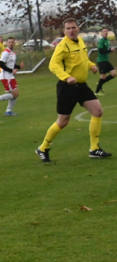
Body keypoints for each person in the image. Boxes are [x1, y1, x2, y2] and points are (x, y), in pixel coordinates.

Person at [36, 18, 111, 162]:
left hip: (81, 86)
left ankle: (94, 149)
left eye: (73, 28)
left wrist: (91, 65)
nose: (71, 30)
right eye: (68, 28)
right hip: (67, 88)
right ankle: (42, 148)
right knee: (63, 121)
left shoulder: (80, 41)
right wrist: (66, 77)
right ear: (64, 31)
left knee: (97, 111)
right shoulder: (62, 46)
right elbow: (53, 65)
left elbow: (82, 59)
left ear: (78, 29)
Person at [0, 37, 25, 116]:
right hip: (6, 76)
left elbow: (12, 65)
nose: (11, 43)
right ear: (7, 43)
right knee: (14, 94)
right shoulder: (5, 53)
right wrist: (11, 71)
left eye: (12, 42)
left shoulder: (12, 53)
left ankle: (8, 111)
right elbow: (1, 64)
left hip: (10, 76)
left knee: (16, 94)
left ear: (14, 43)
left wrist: (19, 67)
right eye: (9, 42)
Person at [95, 27, 116, 95]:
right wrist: (110, 50)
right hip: (101, 61)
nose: (105, 32)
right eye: (104, 31)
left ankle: (100, 83)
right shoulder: (101, 41)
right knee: (103, 77)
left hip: (106, 61)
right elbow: (100, 51)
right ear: (101, 33)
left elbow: (106, 48)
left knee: (114, 74)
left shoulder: (107, 40)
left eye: (106, 31)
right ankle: (96, 92)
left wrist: (110, 48)